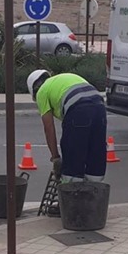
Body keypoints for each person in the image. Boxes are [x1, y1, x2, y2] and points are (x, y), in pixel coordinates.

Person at [26, 70, 107, 204]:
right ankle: (92, 204)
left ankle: (71, 205)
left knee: (72, 159)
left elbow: (48, 128)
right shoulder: (62, 79)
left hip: (78, 110)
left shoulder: (42, 92)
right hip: (99, 108)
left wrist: (55, 157)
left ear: (33, 90)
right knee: (95, 156)